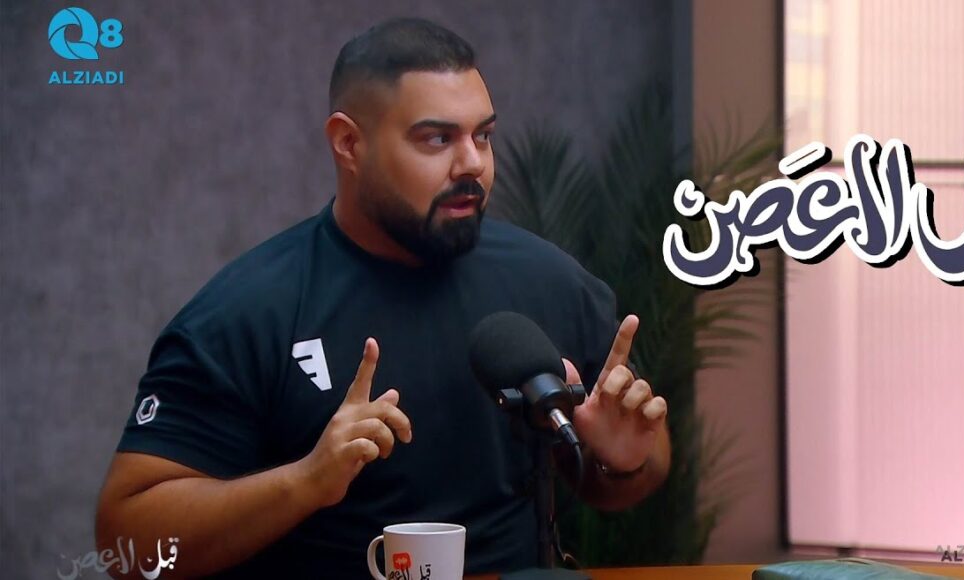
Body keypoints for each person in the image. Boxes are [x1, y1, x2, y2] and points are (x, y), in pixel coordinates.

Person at [95, 17, 670, 579]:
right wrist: (304, 482)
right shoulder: (250, 310)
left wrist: (623, 461)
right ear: (349, 143)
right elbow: (126, 542)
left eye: (483, 135)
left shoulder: (547, 280)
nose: (473, 163)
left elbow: (639, 464)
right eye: (437, 138)